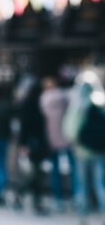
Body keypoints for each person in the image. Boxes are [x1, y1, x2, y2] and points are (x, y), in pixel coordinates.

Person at [62, 70, 105, 225]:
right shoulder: (101, 102)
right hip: (101, 150)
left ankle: (83, 216)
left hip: (82, 150)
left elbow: (70, 129)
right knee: (101, 183)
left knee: (82, 184)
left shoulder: (79, 104)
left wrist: (76, 141)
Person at [40, 76, 74, 212]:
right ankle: (75, 196)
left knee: (55, 170)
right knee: (73, 169)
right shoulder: (65, 98)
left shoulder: (44, 100)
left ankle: (58, 198)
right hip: (67, 137)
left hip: (51, 139)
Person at [16, 79, 49, 215]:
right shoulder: (30, 107)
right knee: (33, 175)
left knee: (36, 175)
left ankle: (33, 201)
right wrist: (23, 146)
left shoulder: (37, 106)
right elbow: (24, 129)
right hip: (32, 146)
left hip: (36, 146)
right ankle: (22, 196)